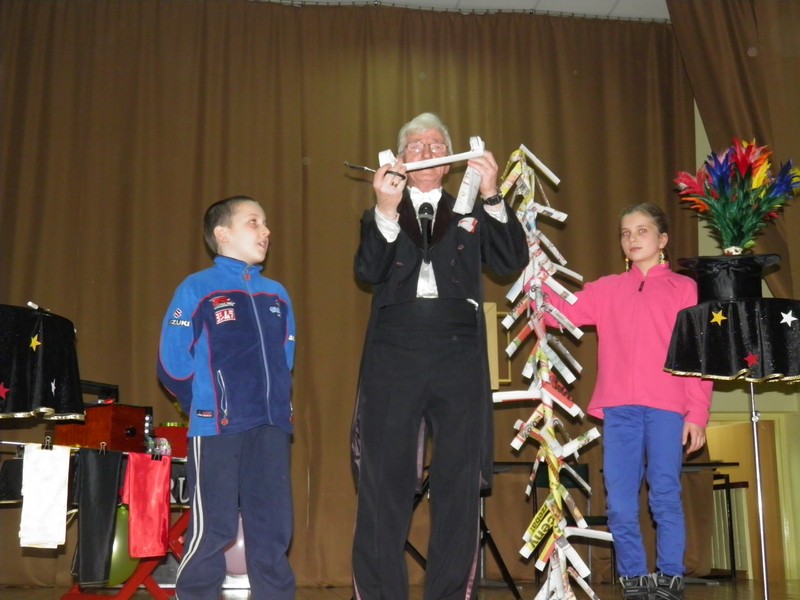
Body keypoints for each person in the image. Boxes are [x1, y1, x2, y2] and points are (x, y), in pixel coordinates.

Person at [350, 112, 529, 600]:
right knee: (384, 482)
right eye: (415, 146)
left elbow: (511, 262)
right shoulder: (380, 211)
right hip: (394, 350)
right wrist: (385, 210)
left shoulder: (471, 209)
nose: (426, 152)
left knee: (458, 482)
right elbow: (368, 271)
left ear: (452, 162)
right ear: (399, 160)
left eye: (436, 146)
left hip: (459, 351)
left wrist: (493, 194)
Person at [542, 203, 712, 600]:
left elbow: (698, 356)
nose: (632, 238)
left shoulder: (684, 289)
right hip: (620, 409)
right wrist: (537, 276)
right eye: (625, 233)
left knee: (664, 494)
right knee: (619, 503)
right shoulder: (606, 289)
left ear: (663, 239)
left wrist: (697, 413)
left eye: (642, 230)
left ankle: (670, 578)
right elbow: (556, 312)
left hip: (668, 407)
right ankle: (633, 579)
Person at [157, 195, 296, 600]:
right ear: (223, 234)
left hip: (271, 425)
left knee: (273, 528)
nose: (265, 231)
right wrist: (204, 405)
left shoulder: (277, 294)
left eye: (266, 223)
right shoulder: (197, 288)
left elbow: (285, 359)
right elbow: (171, 362)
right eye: (254, 222)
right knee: (213, 527)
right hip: (217, 427)